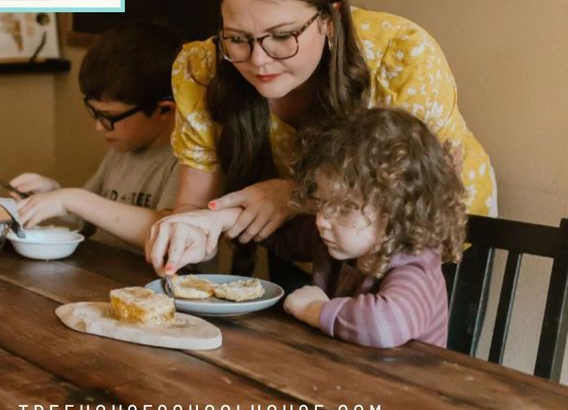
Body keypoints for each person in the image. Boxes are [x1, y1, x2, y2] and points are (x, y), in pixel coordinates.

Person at [148, 0, 493, 278]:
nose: (258, 60)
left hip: (420, 244)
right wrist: (188, 230)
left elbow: (407, 192)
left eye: (281, 36)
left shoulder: (400, 55)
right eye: (237, 38)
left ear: (331, 18)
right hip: (312, 242)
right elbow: (193, 203)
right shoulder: (203, 67)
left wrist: (293, 195)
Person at [156, 108, 466, 348]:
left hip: (404, 405)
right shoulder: (336, 240)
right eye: (321, 201)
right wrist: (216, 221)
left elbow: (385, 326)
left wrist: (316, 310)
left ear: (398, 212)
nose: (322, 219)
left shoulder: (414, 264)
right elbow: (271, 231)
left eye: (345, 208)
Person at [13, 20, 182, 251]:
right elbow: (89, 216)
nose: (99, 127)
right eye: (94, 112)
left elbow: (171, 235)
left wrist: (71, 199)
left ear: (165, 110)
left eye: (108, 116)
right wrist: (53, 195)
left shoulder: (187, 163)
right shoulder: (122, 149)